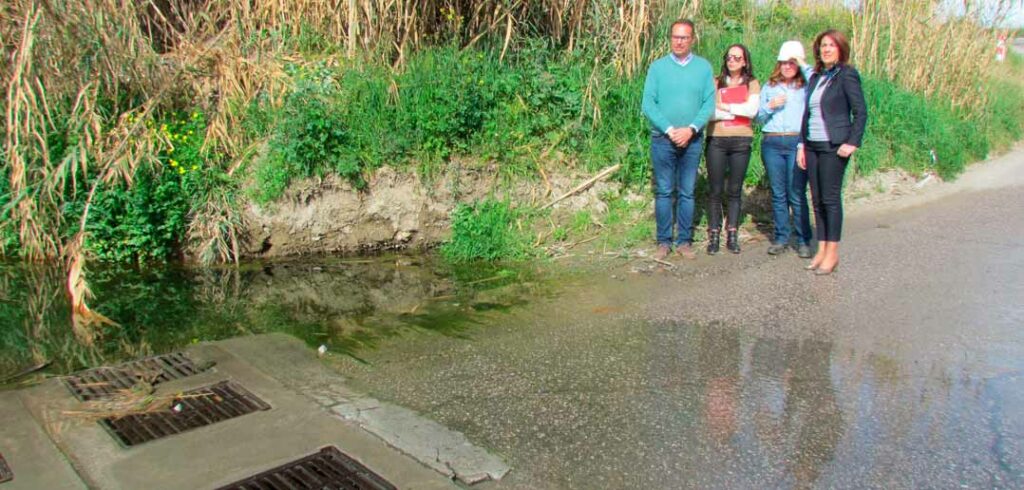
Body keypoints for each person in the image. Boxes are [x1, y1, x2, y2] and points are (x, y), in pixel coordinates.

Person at [641, 19, 716, 260]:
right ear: (670, 38)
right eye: (675, 37)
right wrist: (670, 129)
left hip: (692, 140)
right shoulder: (658, 68)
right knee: (664, 191)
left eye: (684, 37)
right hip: (663, 139)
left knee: (687, 192)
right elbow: (648, 103)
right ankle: (663, 242)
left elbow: (709, 103)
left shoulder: (703, 68)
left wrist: (691, 129)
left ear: (692, 39)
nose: (679, 41)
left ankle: (684, 241)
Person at [797, 29, 868, 275]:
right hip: (813, 144)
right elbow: (807, 114)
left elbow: (860, 111)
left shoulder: (846, 75)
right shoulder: (817, 76)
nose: (826, 49)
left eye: (831, 45)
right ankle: (822, 249)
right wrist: (801, 144)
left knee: (830, 199)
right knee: (816, 200)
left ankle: (833, 253)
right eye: (823, 45)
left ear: (840, 49)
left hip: (834, 146)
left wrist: (852, 142)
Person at [757, 41, 813, 258]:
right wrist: (770, 106)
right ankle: (781, 237)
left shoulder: (806, 86)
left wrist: (802, 62)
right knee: (778, 193)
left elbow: (818, 80)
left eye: (792, 62)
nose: (787, 66)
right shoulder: (769, 86)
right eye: (784, 62)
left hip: (795, 142)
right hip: (772, 142)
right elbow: (758, 118)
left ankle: (803, 240)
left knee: (796, 193)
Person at [704, 44, 760, 254]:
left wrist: (725, 107)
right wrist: (735, 112)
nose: (732, 61)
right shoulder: (715, 82)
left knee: (735, 191)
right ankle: (714, 234)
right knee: (715, 190)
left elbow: (752, 111)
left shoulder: (752, 83)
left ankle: (733, 233)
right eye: (729, 57)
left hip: (741, 141)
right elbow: (708, 113)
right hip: (716, 139)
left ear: (745, 61)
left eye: (737, 58)